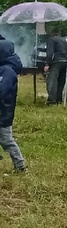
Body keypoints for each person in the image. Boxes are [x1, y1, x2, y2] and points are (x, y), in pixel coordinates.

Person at [0, 33, 26, 173]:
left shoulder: (7, 71)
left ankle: (20, 165)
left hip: (3, 112)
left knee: (7, 140)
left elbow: (2, 91)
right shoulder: (3, 68)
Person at [45, 27, 67, 105]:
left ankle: (52, 100)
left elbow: (50, 53)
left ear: (51, 33)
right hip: (65, 62)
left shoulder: (51, 40)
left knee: (52, 81)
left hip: (56, 62)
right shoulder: (64, 40)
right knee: (61, 82)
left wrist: (47, 64)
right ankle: (59, 99)